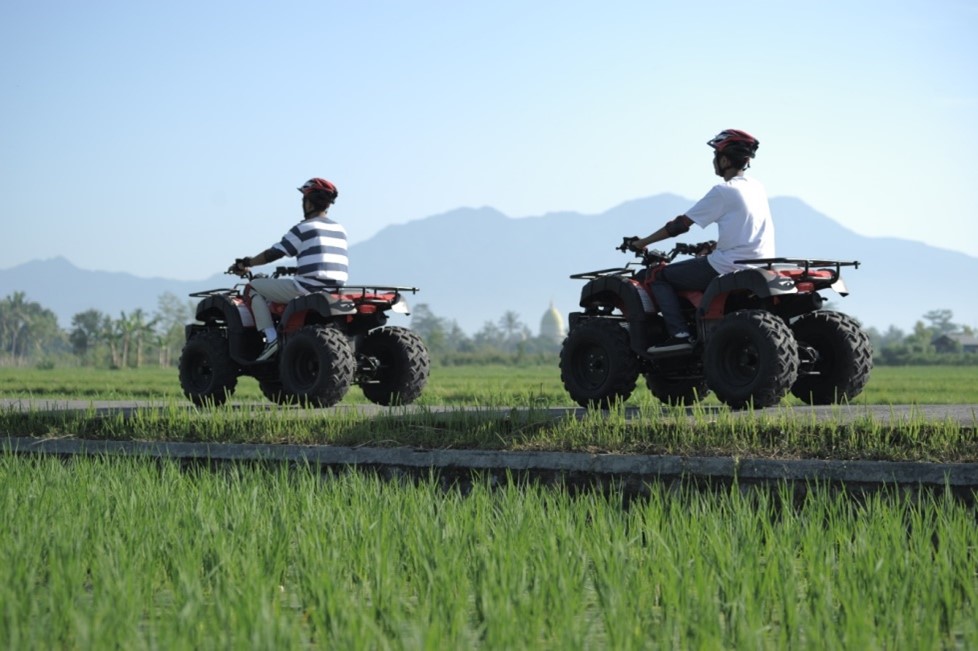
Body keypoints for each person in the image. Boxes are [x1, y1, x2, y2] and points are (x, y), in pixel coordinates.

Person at [628, 129, 774, 352]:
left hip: (728, 265)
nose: (714, 161)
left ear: (724, 160)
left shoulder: (723, 191)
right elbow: (745, 230)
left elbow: (680, 225)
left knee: (657, 275)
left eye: (715, 155)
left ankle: (679, 334)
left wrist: (642, 243)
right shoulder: (757, 187)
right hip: (760, 262)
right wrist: (713, 246)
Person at [229, 177, 349, 361]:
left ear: (309, 203)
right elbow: (321, 261)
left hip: (306, 288)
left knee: (253, 287)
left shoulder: (304, 228)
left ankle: (271, 339)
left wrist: (247, 263)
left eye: (304, 199)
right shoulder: (340, 229)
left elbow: (274, 253)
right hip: (335, 290)